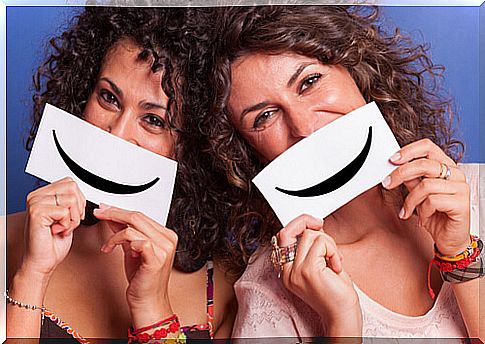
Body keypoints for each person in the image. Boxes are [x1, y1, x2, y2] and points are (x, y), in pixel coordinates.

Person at [176, 5, 482, 339]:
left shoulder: (473, 190)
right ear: (243, 152)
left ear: (355, 69)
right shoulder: (270, 292)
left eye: (309, 81)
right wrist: (340, 324)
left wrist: (461, 254)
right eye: (264, 116)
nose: (304, 127)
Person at [6, 7, 237, 341]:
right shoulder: (4, 243)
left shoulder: (226, 286)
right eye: (109, 98)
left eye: (154, 120)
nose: (116, 133)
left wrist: (152, 307)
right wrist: (31, 275)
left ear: (191, 148)